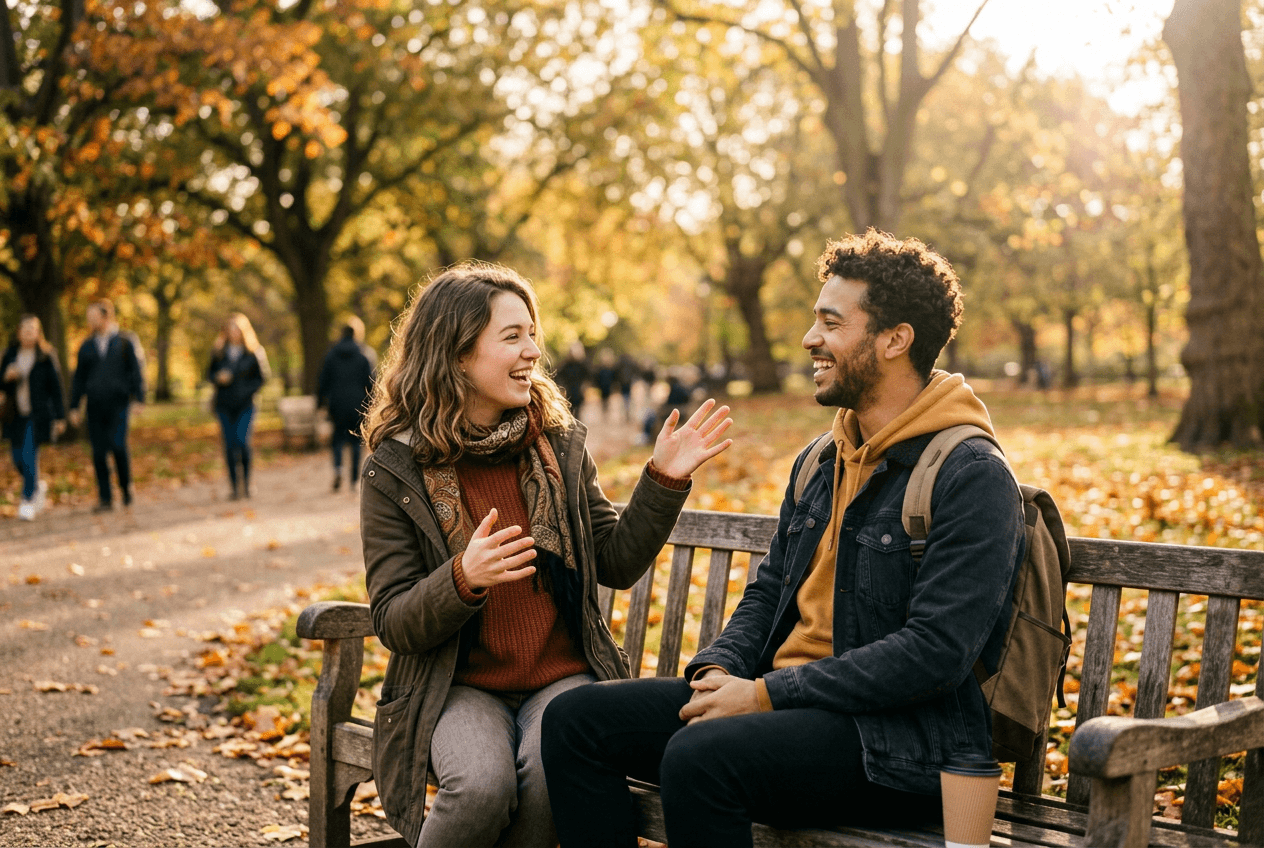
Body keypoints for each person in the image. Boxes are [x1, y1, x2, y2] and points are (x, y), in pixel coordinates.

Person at [541, 229, 1027, 847]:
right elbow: (771, 589)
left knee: (701, 757)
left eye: (830, 322)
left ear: (894, 340)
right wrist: (722, 670)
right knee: (575, 721)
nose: (809, 339)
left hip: (899, 743)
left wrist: (767, 694)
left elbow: (935, 652)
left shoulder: (969, 474)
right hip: (783, 708)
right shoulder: (822, 459)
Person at [358, 261, 733, 848]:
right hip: (457, 684)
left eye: (532, 333)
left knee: (548, 780)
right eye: (512, 336)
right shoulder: (396, 468)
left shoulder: (556, 445)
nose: (533, 350)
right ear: (457, 354)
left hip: (560, 678)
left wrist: (662, 480)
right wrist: (462, 578)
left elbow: (614, 561)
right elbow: (393, 620)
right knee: (480, 786)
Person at [68, 299, 145, 513]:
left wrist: (139, 398)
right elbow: (79, 379)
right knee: (99, 452)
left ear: (106, 316)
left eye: (93, 316)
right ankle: (105, 497)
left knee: (119, 446)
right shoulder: (86, 346)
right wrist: (74, 406)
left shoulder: (125, 341)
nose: (89, 321)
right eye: (88, 317)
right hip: (94, 406)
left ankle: (126, 488)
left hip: (118, 404)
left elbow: (136, 371)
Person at [1, 316, 67, 521]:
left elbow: (56, 389)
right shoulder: (10, 355)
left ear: (39, 333)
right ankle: (38, 485)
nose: (29, 332)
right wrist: (6, 378)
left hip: (37, 416)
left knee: (29, 456)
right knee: (17, 458)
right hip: (14, 415)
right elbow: (2, 387)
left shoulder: (46, 356)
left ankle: (27, 501)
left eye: (33, 329)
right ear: (19, 332)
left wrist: (60, 417)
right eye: (25, 329)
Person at [207, 313, 269, 500]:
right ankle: (234, 487)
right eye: (230, 329)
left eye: (236, 329)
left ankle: (247, 483)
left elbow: (263, 377)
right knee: (229, 445)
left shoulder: (253, 352)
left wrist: (246, 390)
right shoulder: (218, 352)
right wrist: (218, 378)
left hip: (245, 405)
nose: (233, 332)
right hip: (224, 405)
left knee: (242, 442)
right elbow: (209, 374)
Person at [317, 315, 376, 492]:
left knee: (337, 439)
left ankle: (338, 469)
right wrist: (372, 405)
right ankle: (354, 480)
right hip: (359, 404)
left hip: (336, 404)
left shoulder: (331, 354)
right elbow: (372, 382)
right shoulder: (365, 354)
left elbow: (322, 381)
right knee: (357, 441)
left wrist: (320, 404)